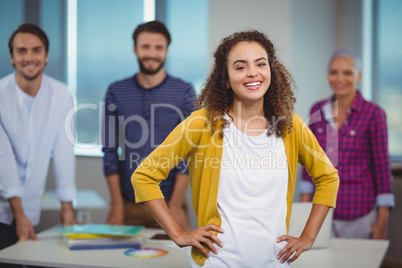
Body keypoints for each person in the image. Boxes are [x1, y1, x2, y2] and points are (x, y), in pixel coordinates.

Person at [132, 30, 339, 267]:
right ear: (226, 79)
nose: (252, 72)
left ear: (271, 70)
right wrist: (179, 234)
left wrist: (308, 237)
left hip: (275, 263)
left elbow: (328, 178)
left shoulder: (291, 126)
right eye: (240, 67)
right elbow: (144, 177)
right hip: (217, 263)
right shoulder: (202, 124)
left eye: (260, 64)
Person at [102, 21, 196, 231]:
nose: (152, 53)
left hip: (169, 202)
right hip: (128, 202)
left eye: (158, 47)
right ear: (135, 49)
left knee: (172, 263)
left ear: (166, 51)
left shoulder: (184, 92)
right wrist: (116, 204)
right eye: (145, 46)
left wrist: (176, 203)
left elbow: (189, 152)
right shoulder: (116, 91)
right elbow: (109, 151)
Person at [301, 48, 395, 239]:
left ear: (359, 75)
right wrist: (304, 211)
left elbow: (382, 169)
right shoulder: (317, 109)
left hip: (359, 213)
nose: (339, 78)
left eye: (347, 72)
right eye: (334, 72)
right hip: (320, 211)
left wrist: (382, 221)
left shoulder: (374, 114)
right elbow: (308, 163)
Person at [0, 23, 76, 251]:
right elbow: (3, 159)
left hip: (30, 210)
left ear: (46, 55)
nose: (29, 57)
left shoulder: (61, 94)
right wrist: (19, 214)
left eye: (36, 50)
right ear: (12, 57)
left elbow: (64, 151)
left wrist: (67, 207)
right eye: (21, 51)